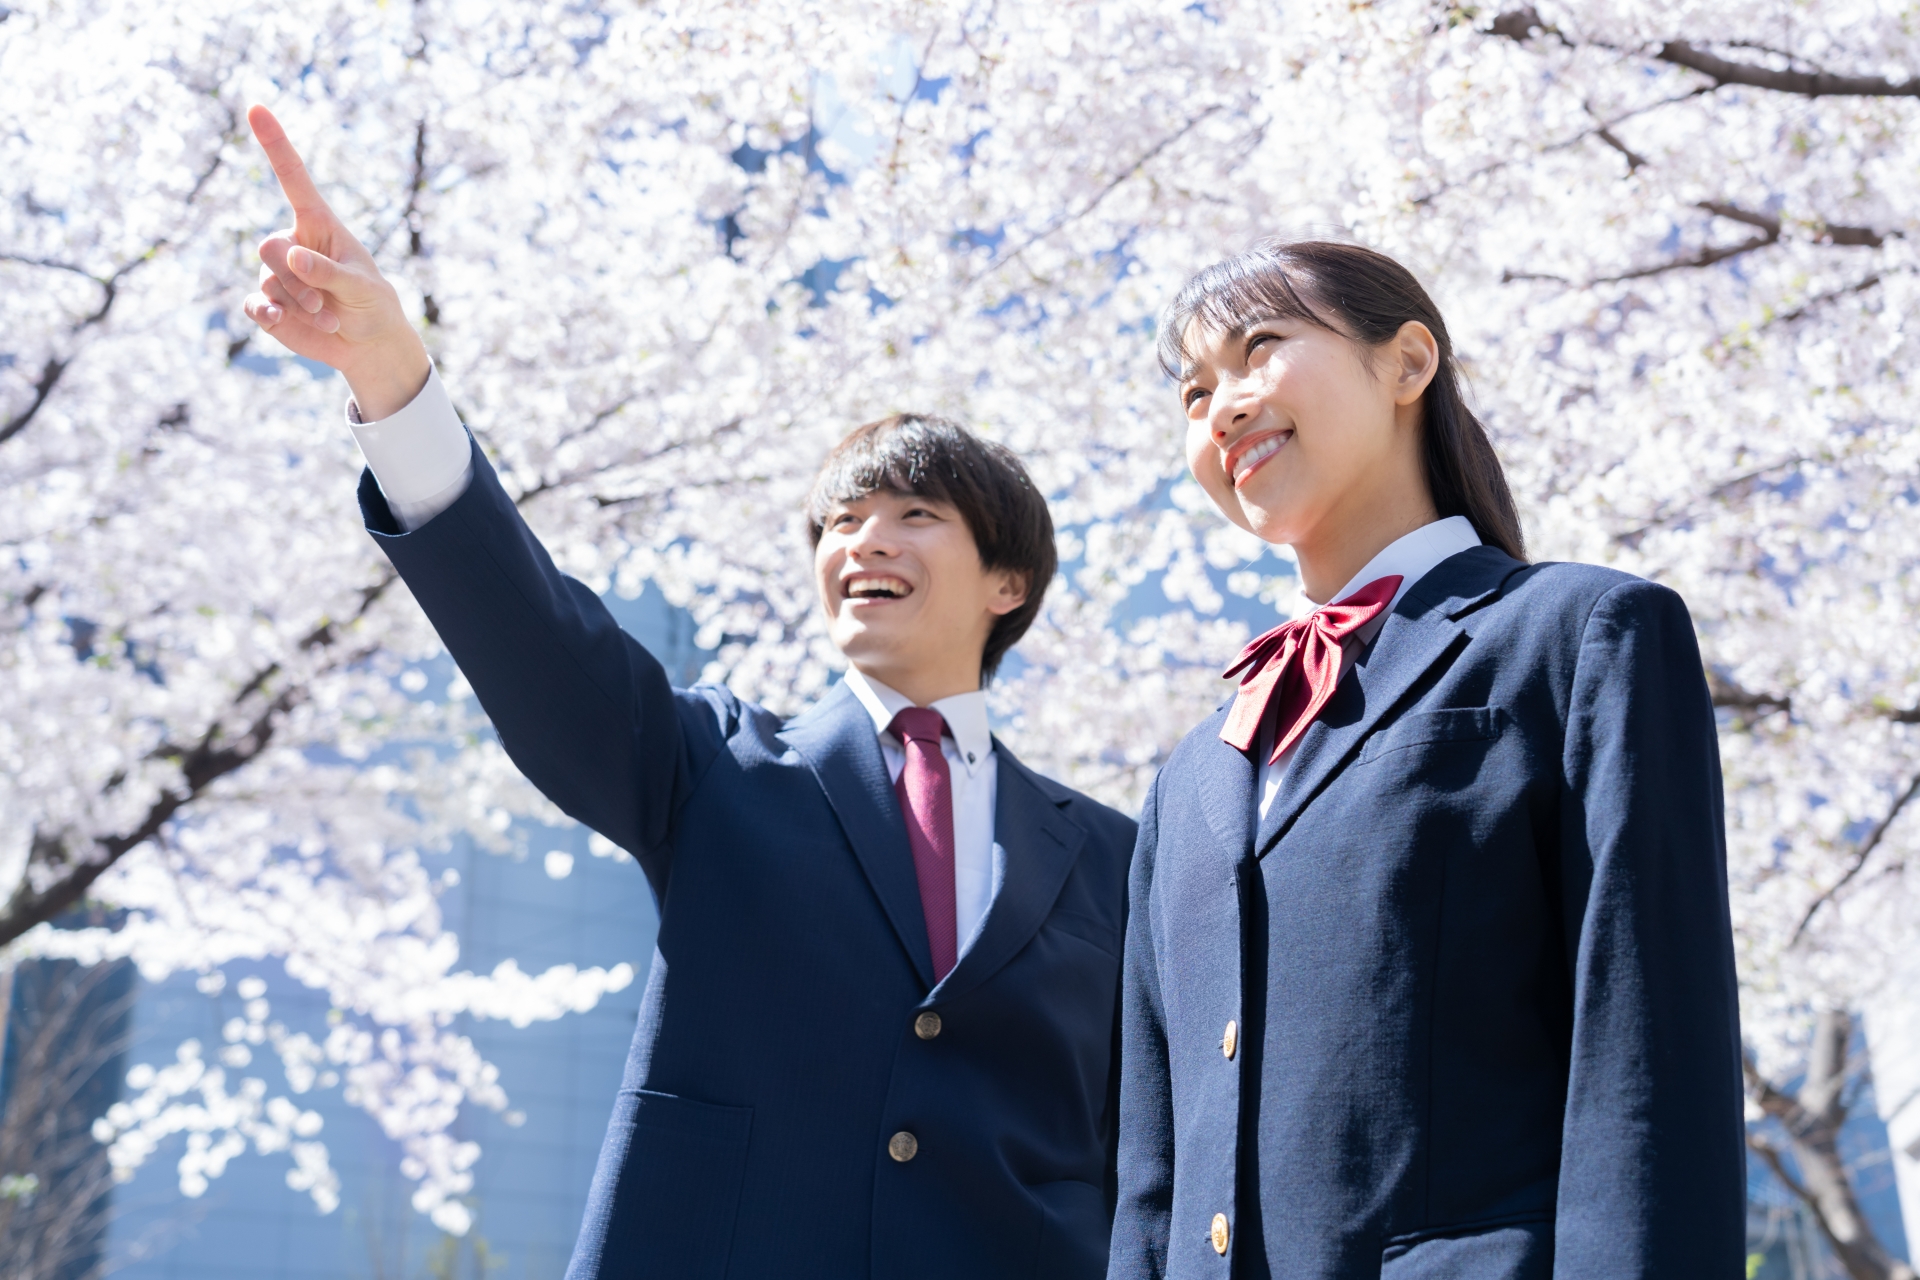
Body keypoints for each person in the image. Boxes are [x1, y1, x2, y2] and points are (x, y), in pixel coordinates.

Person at [239, 105, 1137, 1280]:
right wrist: (390, 377)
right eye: (840, 521)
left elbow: (1150, 1147)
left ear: (1008, 580)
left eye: (916, 513)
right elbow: (540, 646)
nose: (863, 539)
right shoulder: (718, 768)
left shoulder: (1117, 859)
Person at [1107, 240, 1745, 1278]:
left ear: (1407, 362)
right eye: (1192, 391)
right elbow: (1152, 1177)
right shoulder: (1187, 780)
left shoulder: (1580, 637)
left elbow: (1650, 1064)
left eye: (1259, 347)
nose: (1221, 407)